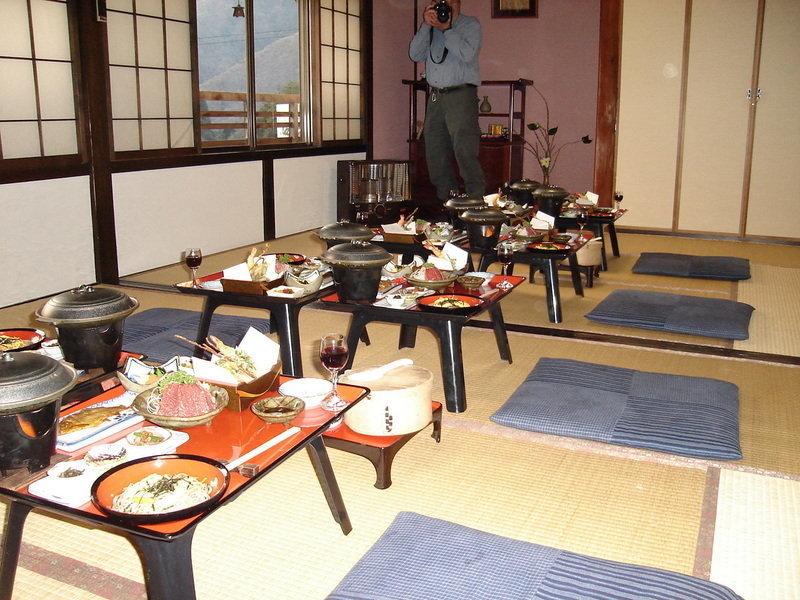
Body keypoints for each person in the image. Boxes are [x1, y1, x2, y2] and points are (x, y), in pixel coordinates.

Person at [409, 0, 485, 202]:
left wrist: (447, 29)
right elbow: (414, 54)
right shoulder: (430, 28)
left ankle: (475, 201)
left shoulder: (470, 24)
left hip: (461, 94)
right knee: (435, 151)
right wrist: (426, 25)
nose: (441, 4)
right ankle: (447, 201)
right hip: (435, 97)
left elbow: (467, 54)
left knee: (464, 150)